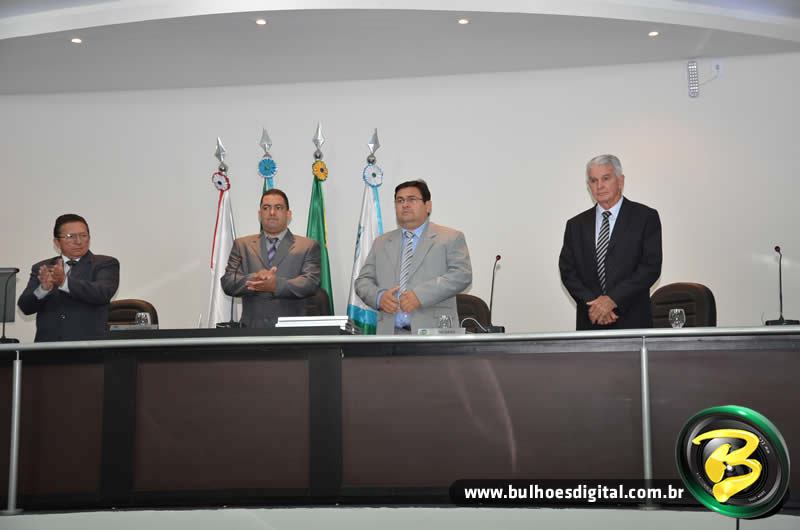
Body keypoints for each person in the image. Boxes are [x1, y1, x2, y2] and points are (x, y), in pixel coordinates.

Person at [559, 154, 662, 330]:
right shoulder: (575, 225)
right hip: (590, 321)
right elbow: (568, 271)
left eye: (606, 178)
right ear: (588, 186)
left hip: (632, 322)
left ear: (620, 181)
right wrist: (594, 305)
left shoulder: (645, 217)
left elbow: (650, 268)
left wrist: (613, 300)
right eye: (593, 181)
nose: (599, 186)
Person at [355, 179, 472, 334]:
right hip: (389, 334)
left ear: (428, 206)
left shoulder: (450, 237)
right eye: (400, 200)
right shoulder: (381, 242)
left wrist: (420, 296)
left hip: (434, 335)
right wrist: (379, 297)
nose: (405, 205)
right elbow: (362, 281)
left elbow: (462, 275)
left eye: (412, 199)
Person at [221, 189, 321, 328]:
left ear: (288, 214)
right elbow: (228, 282)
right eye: (266, 208)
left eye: (278, 207)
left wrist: (276, 285)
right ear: (260, 214)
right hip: (251, 331)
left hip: (292, 333)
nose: (272, 212)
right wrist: (255, 279)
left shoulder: (307, 246)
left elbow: (310, 283)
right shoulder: (242, 245)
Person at [18, 214, 120, 342]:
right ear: (57, 242)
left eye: (83, 235)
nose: (78, 241)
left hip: (89, 347)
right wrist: (43, 289)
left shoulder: (105, 263)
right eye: (70, 236)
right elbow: (25, 307)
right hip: (48, 347)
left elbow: (102, 293)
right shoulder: (43, 267)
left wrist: (64, 282)